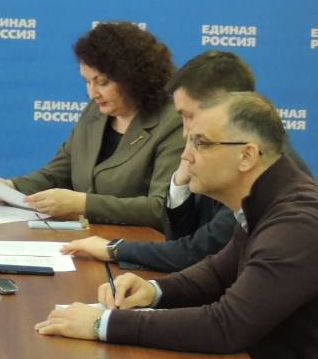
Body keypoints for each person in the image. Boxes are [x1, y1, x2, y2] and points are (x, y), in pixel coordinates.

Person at [36, 93, 318, 359]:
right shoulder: (269, 200)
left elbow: (226, 326)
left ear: (247, 156)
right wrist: (154, 291)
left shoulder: (296, 223)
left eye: (201, 143)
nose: (186, 156)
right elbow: (217, 273)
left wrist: (104, 323)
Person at [62, 51, 312, 270]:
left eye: (190, 116)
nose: (185, 132)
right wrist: (180, 185)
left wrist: (115, 249)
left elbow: (197, 253)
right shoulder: (215, 154)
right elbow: (186, 246)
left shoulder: (263, 167)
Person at [0, 21, 183, 228]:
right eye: (87, 82)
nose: (92, 94)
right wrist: (9, 187)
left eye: (102, 82)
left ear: (133, 78)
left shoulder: (172, 123)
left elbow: (160, 208)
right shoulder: (95, 113)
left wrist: (83, 204)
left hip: (138, 243)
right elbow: (57, 174)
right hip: (86, 237)